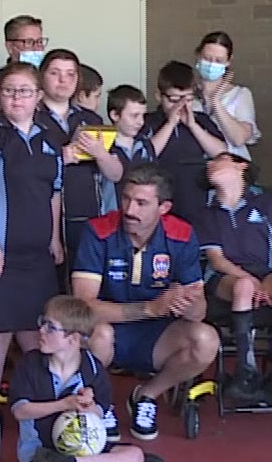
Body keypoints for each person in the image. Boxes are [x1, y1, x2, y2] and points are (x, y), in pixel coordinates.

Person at [0, 61, 63, 450]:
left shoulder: (48, 138)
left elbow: (54, 193)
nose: (17, 98)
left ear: (38, 97)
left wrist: (54, 240)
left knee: (39, 336)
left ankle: (38, 412)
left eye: (25, 91)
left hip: (36, 255)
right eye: (9, 91)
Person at [70, 166, 218, 441]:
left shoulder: (182, 235)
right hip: (108, 327)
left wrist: (187, 301)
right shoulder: (98, 230)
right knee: (98, 333)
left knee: (206, 339)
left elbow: (199, 313)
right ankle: (100, 402)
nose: (129, 209)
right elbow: (83, 307)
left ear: (164, 208)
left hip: (158, 334)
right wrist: (150, 308)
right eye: (126, 199)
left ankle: (146, 395)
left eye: (141, 203)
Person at [14, 296, 167, 462]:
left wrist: (89, 405)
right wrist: (65, 404)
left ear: (73, 338)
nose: (41, 330)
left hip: (85, 448)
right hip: (40, 453)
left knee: (136, 454)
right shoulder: (30, 365)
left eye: (50, 327)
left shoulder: (93, 367)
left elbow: (99, 413)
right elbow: (20, 411)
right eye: (42, 323)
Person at [198, 153, 272, 400]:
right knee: (244, 285)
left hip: (265, 273)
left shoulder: (264, 203)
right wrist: (252, 282)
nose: (210, 164)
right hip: (225, 277)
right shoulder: (208, 213)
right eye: (208, 163)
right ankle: (246, 368)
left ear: (241, 166)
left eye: (219, 159)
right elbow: (217, 259)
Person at [38, 48, 120, 266]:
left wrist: (100, 154)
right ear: (41, 76)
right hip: (42, 216)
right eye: (55, 73)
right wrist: (61, 157)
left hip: (87, 213)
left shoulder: (90, 119)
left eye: (70, 74)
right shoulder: (32, 118)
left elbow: (116, 174)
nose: (63, 80)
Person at [146, 61, 230, 226]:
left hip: (195, 197)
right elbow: (146, 153)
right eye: (174, 99)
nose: (180, 106)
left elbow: (220, 151)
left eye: (188, 100)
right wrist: (170, 124)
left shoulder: (201, 121)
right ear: (159, 95)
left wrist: (192, 125)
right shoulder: (148, 121)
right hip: (158, 197)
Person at [194, 32, 259, 160]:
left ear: (228, 62)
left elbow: (239, 139)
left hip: (231, 165)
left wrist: (216, 103)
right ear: (198, 56)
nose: (212, 64)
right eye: (207, 58)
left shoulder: (240, 94)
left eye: (218, 60)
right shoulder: (187, 93)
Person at [100, 84, 154, 214]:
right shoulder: (103, 146)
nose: (141, 122)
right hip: (111, 217)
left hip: (143, 218)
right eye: (134, 116)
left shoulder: (145, 144)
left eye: (143, 116)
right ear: (115, 115)